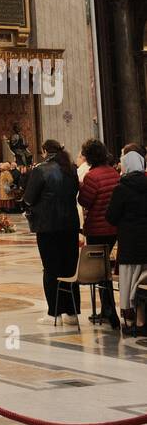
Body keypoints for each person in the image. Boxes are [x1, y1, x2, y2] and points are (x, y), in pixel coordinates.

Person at [23, 139, 81, 324]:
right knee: (69, 267)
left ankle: (54, 313)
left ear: (45, 151)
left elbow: (29, 198)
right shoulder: (71, 169)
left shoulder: (41, 170)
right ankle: (71, 313)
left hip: (48, 226)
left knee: (51, 269)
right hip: (70, 225)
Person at [77, 139, 120, 327]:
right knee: (107, 271)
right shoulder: (114, 173)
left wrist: (80, 188)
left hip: (97, 228)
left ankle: (108, 310)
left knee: (100, 272)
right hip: (113, 229)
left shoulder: (92, 176)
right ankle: (108, 310)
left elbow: (85, 201)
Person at [106, 147, 147, 337]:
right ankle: (142, 319)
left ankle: (130, 321)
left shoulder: (121, 189)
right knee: (144, 281)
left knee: (128, 282)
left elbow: (111, 217)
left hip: (129, 243)